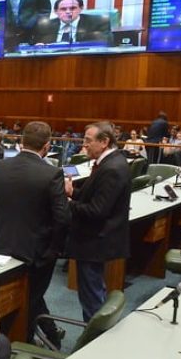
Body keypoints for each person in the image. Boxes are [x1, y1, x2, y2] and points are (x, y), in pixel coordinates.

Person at [0, 121, 70, 347]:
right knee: (30, 298)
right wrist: (53, 251)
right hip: (36, 253)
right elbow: (62, 218)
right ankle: (27, 342)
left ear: (21, 141)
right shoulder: (52, 173)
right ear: (47, 146)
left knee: (12, 295)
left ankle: (48, 332)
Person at [65, 121, 131, 321]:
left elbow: (96, 211)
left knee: (91, 296)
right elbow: (93, 198)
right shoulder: (110, 163)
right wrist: (74, 193)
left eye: (88, 141)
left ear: (104, 142)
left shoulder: (111, 168)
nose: (84, 145)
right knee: (95, 290)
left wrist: (67, 202)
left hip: (95, 241)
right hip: (96, 239)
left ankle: (93, 339)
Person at [31, 0, 112, 46]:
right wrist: (38, 47)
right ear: (56, 11)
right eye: (63, 9)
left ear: (81, 9)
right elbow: (34, 47)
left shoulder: (97, 22)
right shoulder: (44, 26)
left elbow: (107, 44)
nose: (68, 12)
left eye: (73, 8)